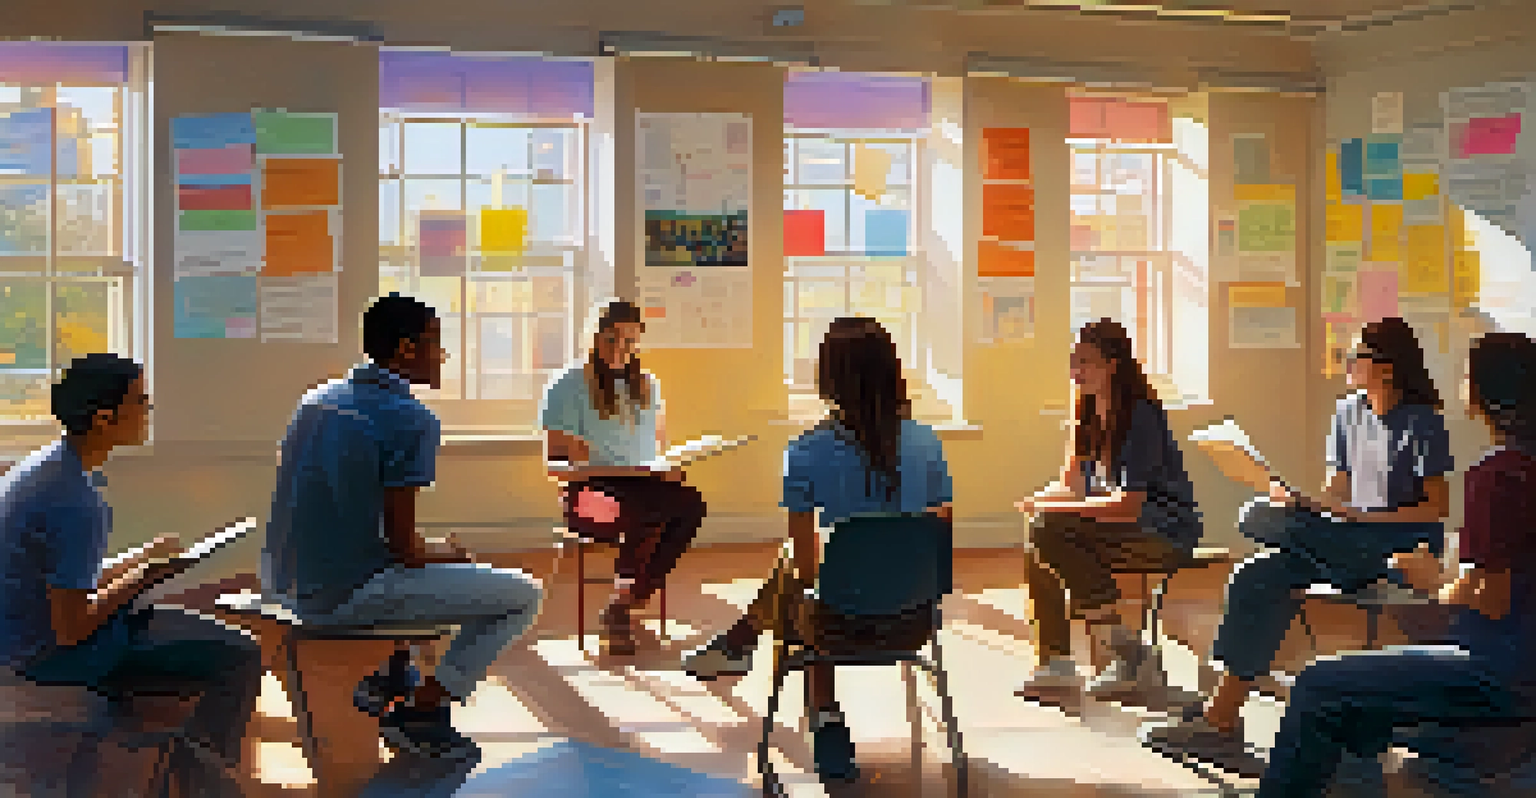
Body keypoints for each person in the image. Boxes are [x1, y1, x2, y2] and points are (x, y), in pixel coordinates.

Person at [1145, 317, 1453, 778]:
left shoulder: (1423, 421)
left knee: (1263, 521)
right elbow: (1337, 493)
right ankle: (1221, 720)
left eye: (1357, 358)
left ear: (1386, 368)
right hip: (1343, 540)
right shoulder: (1348, 413)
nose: (1348, 366)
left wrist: (1365, 518)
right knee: (1254, 572)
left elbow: (1436, 507)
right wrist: (1309, 504)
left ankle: (1304, 539)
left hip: (1399, 546)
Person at [1248, 331, 1536, 797]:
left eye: (1466, 374)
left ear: (1485, 392)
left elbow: (1492, 599)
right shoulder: (1515, 468)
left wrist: (1433, 580)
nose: (1460, 382)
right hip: (1513, 661)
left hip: (1499, 673)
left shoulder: (1500, 476)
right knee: (1356, 698)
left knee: (1318, 685)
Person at [263, 293, 544, 761]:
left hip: (284, 581)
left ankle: (394, 673)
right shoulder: (411, 419)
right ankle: (422, 712)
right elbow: (406, 552)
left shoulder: (316, 400)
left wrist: (431, 553)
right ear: (406, 349)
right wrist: (451, 555)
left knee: (429, 573)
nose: (443, 355)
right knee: (522, 595)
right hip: (339, 597)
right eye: (436, 343)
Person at [680, 317, 954, 785]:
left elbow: (807, 571)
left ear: (826, 380)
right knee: (811, 571)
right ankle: (739, 645)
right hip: (916, 620)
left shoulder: (805, 452)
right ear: (893, 371)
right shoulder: (927, 443)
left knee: (796, 578)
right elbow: (939, 540)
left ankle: (818, 713)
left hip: (837, 626)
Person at [0, 353, 262, 797]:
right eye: (141, 402)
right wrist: (143, 576)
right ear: (105, 417)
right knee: (239, 654)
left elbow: (63, 582)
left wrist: (140, 559)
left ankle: (182, 769)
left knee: (185, 629)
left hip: (19, 633)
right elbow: (70, 628)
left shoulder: (44, 469)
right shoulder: (77, 503)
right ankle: (204, 785)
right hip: (43, 655)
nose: (148, 413)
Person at [1012, 318, 1203, 708]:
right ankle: (1057, 662)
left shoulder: (1140, 415)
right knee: (1039, 534)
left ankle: (1126, 651)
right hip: (1119, 529)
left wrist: (1054, 511)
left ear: (1112, 365)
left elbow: (1128, 505)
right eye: (1073, 362)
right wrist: (1040, 501)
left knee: (1047, 529)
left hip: (1164, 533)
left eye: (1086, 363)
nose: (1075, 372)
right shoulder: (1085, 413)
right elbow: (1071, 486)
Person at [540, 299, 707, 656]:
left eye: (630, 341)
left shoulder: (648, 385)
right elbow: (555, 466)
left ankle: (628, 598)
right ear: (595, 337)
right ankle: (621, 605)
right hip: (588, 494)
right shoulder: (568, 385)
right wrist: (605, 470)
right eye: (612, 339)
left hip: (641, 488)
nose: (620, 349)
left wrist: (670, 468)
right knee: (641, 509)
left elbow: (658, 448)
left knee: (691, 504)